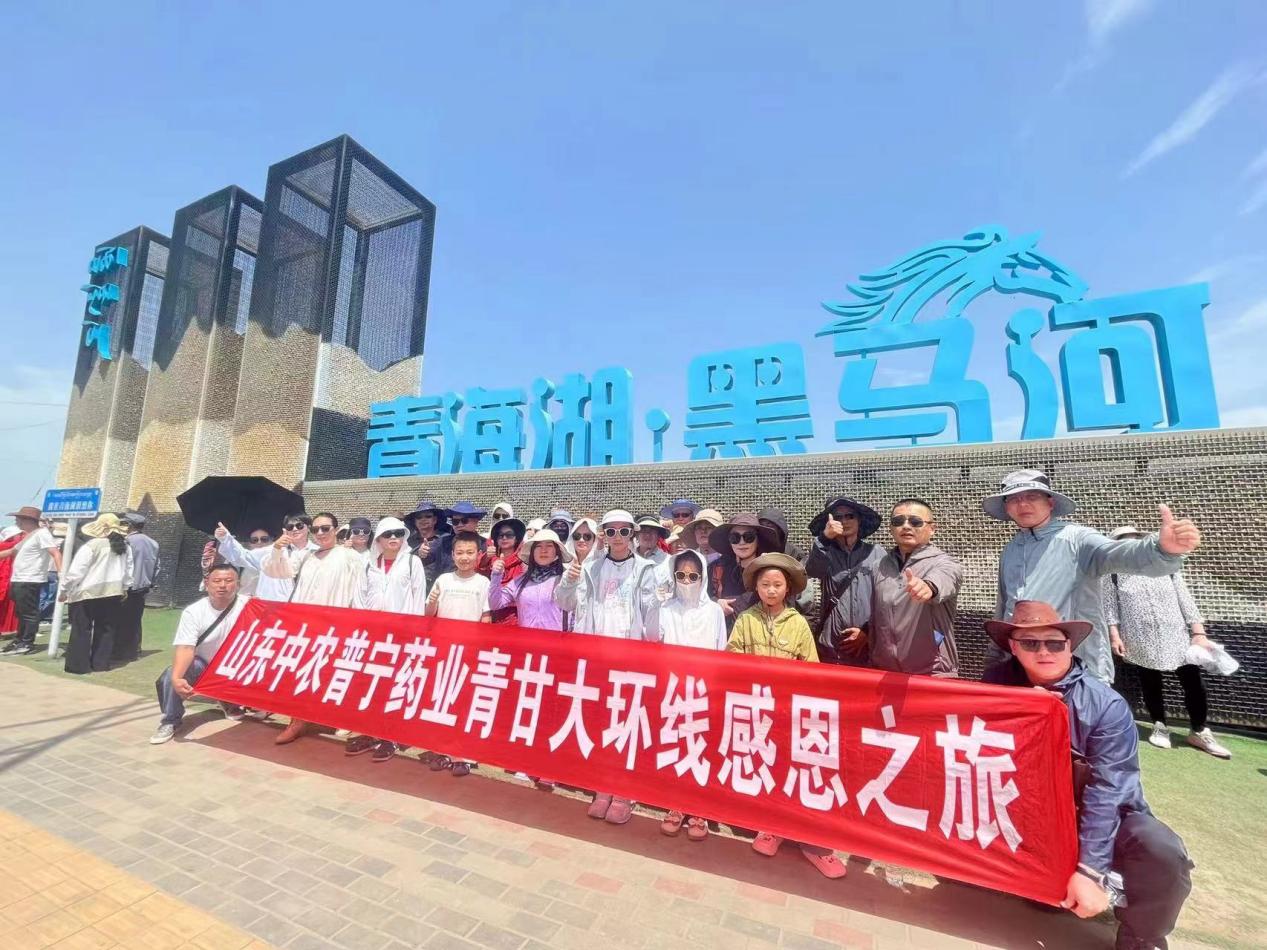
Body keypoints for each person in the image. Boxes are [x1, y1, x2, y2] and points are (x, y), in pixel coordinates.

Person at [983, 601, 1193, 950]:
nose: (1044, 652)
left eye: (1054, 643)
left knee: (1159, 849)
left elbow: (1108, 790)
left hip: (1090, 813)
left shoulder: (1105, 706)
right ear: (1013, 648)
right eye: (1030, 643)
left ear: (1070, 646)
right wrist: (1019, 709)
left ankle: (1142, 935)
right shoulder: (994, 688)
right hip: (1026, 812)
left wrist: (1090, 871)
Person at [986, 469, 1202, 685]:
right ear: (1006, 507)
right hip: (1023, 667)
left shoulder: (1078, 539)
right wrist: (997, 658)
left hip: (1078, 670)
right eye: (1014, 499)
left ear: (1050, 503)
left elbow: (1118, 553)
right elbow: (1005, 607)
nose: (1023, 504)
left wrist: (1161, 550)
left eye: (1032, 496)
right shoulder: (1010, 550)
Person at [726, 553, 847, 879]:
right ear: (756, 587)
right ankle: (772, 827)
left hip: (788, 712)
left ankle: (812, 840)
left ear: (788, 588)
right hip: (755, 708)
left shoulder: (798, 624)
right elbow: (732, 657)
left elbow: (811, 669)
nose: (771, 590)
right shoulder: (745, 620)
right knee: (766, 768)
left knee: (795, 770)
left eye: (777, 585)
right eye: (765, 584)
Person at [555, 510, 658, 824]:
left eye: (624, 531)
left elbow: (651, 617)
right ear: (603, 535)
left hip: (630, 659)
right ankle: (602, 786)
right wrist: (569, 582)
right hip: (597, 657)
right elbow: (564, 603)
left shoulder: (645, 569)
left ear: (633, 534)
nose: (617, 538)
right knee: (601, 721)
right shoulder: (590, 568)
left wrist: (651, 651)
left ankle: (624, 791)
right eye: (611, 532)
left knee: (627, 723)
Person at [1102, 526, 1230, 759]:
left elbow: (1185, 599)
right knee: (1150, 681)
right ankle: (1159, 725)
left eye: (1134, 540)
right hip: (1138, 635)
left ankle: (1199, 730)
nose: (1130, 545)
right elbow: (1110, 608)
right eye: (1124, 541)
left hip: (1176, 634)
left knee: (1193, 681)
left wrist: (1198, 632)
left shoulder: (1165, 567)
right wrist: (1115, 635)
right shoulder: (1112, 574)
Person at [645, 548, 726, 841]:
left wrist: (715, 689)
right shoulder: (667, 608)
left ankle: (699, 808)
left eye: (693, 576)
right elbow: (651, 636)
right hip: (674, 688)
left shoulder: (714, 611)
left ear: (702, 577)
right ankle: (676, 804)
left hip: (704, 690)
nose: (687, 581)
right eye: (681, 575)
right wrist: (655, 603)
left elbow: (721, 650)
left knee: (702, 749)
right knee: (676, 746)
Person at [265, 512, 363, 744]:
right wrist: (277, 549)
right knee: (303, 671)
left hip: (337, 625)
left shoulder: (350, 556)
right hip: (305, 625)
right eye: (316, 529)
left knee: (335, 672)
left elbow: (361, 590)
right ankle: (297, 720)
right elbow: (277, 571)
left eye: (325, 528)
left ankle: (339, 718)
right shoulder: (306, 556)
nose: (320, 533)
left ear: (336, 530)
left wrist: (355, 623)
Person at [850, 499, 963, 677]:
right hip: (884, 671)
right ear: (891, 528)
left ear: (932, 528)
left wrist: (928, 587)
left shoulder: (945, 563)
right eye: (898, 521)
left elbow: (944, 579)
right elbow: (877, 613)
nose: (906, 526)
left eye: (915, 521)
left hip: (932, 672)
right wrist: (866, 632)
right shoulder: (879, 566)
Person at [348, 517, 428, 762]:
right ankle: (369, 732)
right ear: (379, 539)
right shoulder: (368, 564)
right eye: (388, 534)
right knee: (371, 684)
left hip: (402, 636)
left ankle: (390, 736)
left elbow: (418, 599)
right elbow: (359, 597)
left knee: (395, 685)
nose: (393, 538)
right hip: (373, 635)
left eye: (398, 533)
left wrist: (413, 635)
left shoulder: (413, 563)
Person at [149, 562, 250, 744]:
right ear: (207, 583)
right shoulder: (194, 612)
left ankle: (231, 701)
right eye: (217, 581)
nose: (222, 585)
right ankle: (170, 721)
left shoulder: (251, 606)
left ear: (238, 584)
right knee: (172, 675)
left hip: (238, 666)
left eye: (228, 581)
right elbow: (186, 647)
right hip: (205, 667)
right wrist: (177, 678)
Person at [424, 532, 491, 776]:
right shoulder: (443, 580)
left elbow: (486, 617)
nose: (464, 557)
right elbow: (428, 614)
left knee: (466, 703)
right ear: (452, 555)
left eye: (470, 552)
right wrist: (432, 602)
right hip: (444, 651)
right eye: (460, 552)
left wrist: (479, 649)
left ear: (478, 555)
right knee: (443, 700)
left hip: (470, 653)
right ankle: (441, 750)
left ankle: (463, 755)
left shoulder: (483, 583)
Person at [804, 495, 885, 666]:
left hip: (869, 648)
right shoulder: (824, 552)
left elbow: (887, 598)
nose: (844, 521)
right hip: (831, 649)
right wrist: (824, 538)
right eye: (838, 517)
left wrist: (867, 631)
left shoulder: (877, 553)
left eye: (850, 516)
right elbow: (812, 571)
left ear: (859, 520)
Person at [61, 514, 133, 674]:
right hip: (113, 592)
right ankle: (101, 664)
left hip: (88, 592)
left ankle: (78, 666)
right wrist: (125, 588)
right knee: (107, 629)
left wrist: (64, 590)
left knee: (81, 629)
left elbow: (76, 572)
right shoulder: (125, 547)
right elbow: (128, 572)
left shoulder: (92, 545)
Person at [0, 506, 63, 655]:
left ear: (28, 520)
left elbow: (55, 552)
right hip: (19, 578)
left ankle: (27, 642)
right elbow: (11, 551)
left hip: (30, 578)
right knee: (21, 612)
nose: (16, 522)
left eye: (18, 519)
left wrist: (61, 573)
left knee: (29, 612)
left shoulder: (42, 534)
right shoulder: (30, 536)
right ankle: (20, 640)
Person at [216, 513, 315, 602]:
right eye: (290, 527)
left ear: (309, 528)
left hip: (305, 606)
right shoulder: (271, 550)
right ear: (285, 530)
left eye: (299, 526)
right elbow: (243, 556)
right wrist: (226, 538)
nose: (295, 529)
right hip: (272, 606)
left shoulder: (317, 552)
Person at [707, 513, 781, 628]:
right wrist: (716, 603)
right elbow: (702, 598)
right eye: (735, 538)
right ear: (729, 541)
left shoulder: (772, 569)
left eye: (748, 537)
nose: (742, 542)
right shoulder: (716, 568)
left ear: (758, 539)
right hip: (726, 634)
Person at [490, 528, 569, 632]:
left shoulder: (566, 580)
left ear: (557, 551)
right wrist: (496, 575)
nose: (543, 550)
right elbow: (495, 604)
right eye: (538, 546)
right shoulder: (519, 581)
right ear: (532, 552)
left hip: (556, 640)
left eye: (549, 546)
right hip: (526, 640)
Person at [114, 511, 160, 664]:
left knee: (121, 620)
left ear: (129, 525)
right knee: (135, 619)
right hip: (144, 587)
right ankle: (135, 649)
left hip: (126, 587)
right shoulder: (153, 543)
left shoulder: (126, 542)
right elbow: (157, 567)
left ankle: (121, 652)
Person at [479, 515, 526, 623]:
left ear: (516, 538)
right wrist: (486, 557)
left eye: (509, 535)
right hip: (490, 615)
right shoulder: (489, 560)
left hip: (516, 616)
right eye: (500, 535)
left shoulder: (524, 561)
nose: (504, 538)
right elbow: (478, 572)